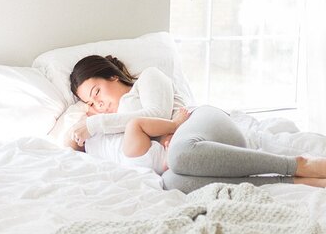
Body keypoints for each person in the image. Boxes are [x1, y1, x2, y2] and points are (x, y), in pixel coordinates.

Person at [68, 54, 326, 191]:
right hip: (191, 153)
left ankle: (297, 165)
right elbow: (68, 144)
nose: (98, 106)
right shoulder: (113, 122)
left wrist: (95, 124)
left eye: (97, 93)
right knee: (173, 184)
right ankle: (292, 182)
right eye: (90, 104)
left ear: (112, 76)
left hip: (202, 122)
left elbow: (156, 113)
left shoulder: (149, 78)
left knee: (179, 157)